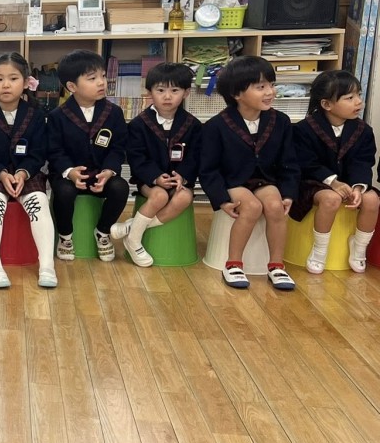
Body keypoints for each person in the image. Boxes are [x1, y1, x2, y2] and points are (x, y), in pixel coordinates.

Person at [200, 56, 299, 290]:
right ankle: (233, 264)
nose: (270, 92)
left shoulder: (281, 121)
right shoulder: (216, 126)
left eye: (271, 85)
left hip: (265, 180)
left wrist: (288, 193)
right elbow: (208, 169)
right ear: (237, 93)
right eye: (260, 87)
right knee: (252, 207)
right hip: (233, 181)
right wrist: (222, 200)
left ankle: (276, 265)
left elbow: (289, 162)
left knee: (275, 206)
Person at [0, 52, 56, 289]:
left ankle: (47, 265)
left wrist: (23, 173)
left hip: (26, 174)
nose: (6, 85)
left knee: (39, 202)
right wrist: (1, 173)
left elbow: (38, 153)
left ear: (26, 82)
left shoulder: (36, 115)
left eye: (13, 78)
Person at [115, 62, 203, 267]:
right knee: (160, 196)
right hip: (149, 181)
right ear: (149, 93)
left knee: (185, 197)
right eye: (161, 90)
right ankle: (135, 242)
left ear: (186, 93)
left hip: (179, 180)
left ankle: (132, 230)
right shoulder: (139, 124)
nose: (167, 96)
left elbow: (195, 156)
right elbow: (136, 156)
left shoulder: (193, 125)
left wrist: (183, 176)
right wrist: (155, 177)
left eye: (175, 91)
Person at [290, 70, 378, 273]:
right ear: (327, 104)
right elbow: (306, 163)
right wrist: (333, 182)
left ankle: (359, 247)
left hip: (350, 181)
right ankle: (319, 250)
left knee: (372, 200)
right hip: (313, 181)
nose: (359, 102)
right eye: (350, 98)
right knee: (331, 199)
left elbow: (363, 162)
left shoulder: (363, 131)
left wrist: (358, 186)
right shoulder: (304, 129)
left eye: (359, 95)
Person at [46, 50, 129, 262]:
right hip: (69, 174)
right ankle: (65, 236)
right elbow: (54, 150)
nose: (101, 82)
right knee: (63, 192)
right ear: (72, 86)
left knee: (120, 188)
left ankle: (103, 232)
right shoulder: (57, 116)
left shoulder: (114, 112)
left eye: (103, 76)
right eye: (92, 78)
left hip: (101, 172)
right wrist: (69, 171)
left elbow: (118, 147)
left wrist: (109, 171)